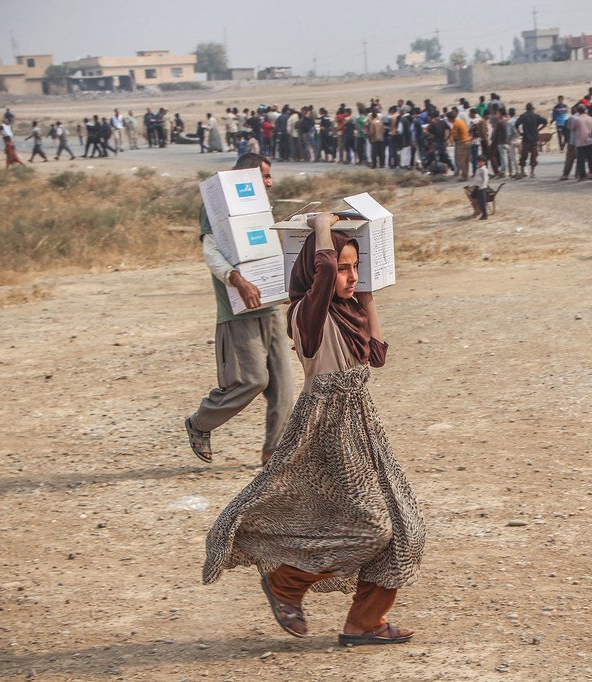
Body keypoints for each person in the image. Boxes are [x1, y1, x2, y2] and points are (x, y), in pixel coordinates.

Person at [201, 211, 425, 647]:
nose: (349, 276)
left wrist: (368, 295)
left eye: (355, 267)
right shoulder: (307, 313)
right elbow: (320, 273)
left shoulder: (348, 311)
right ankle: (286, 582)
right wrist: (321, 226)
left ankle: (365, 623)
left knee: (406, 527)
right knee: (371, 527)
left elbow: (376, 356)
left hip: (364, 425)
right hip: (328, 426)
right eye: (342, 268)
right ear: (319, 269)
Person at [185, 153, 292, 467]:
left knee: (284, 389)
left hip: (269, 310)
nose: (270, 183)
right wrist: (237, 280)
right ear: (245, 176)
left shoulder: (259, 205)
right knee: (251, 381)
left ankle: (273, 455)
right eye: (265, 176)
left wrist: (281, 287)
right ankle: (200, 423)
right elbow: (211, 251)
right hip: (238, 312)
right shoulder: (214, 204)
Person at [514, 103, 546, 179]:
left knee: (523, 156)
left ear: (526, 108)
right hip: (534, 138)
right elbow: (545, 122)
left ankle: (522, 172)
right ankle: (532, 172)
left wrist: (520, 133)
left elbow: (516, 125)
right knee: (534, 156)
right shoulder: (536, 116)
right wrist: (538, 129)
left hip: (526, 138)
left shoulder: (523, 116)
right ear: (532, 109)